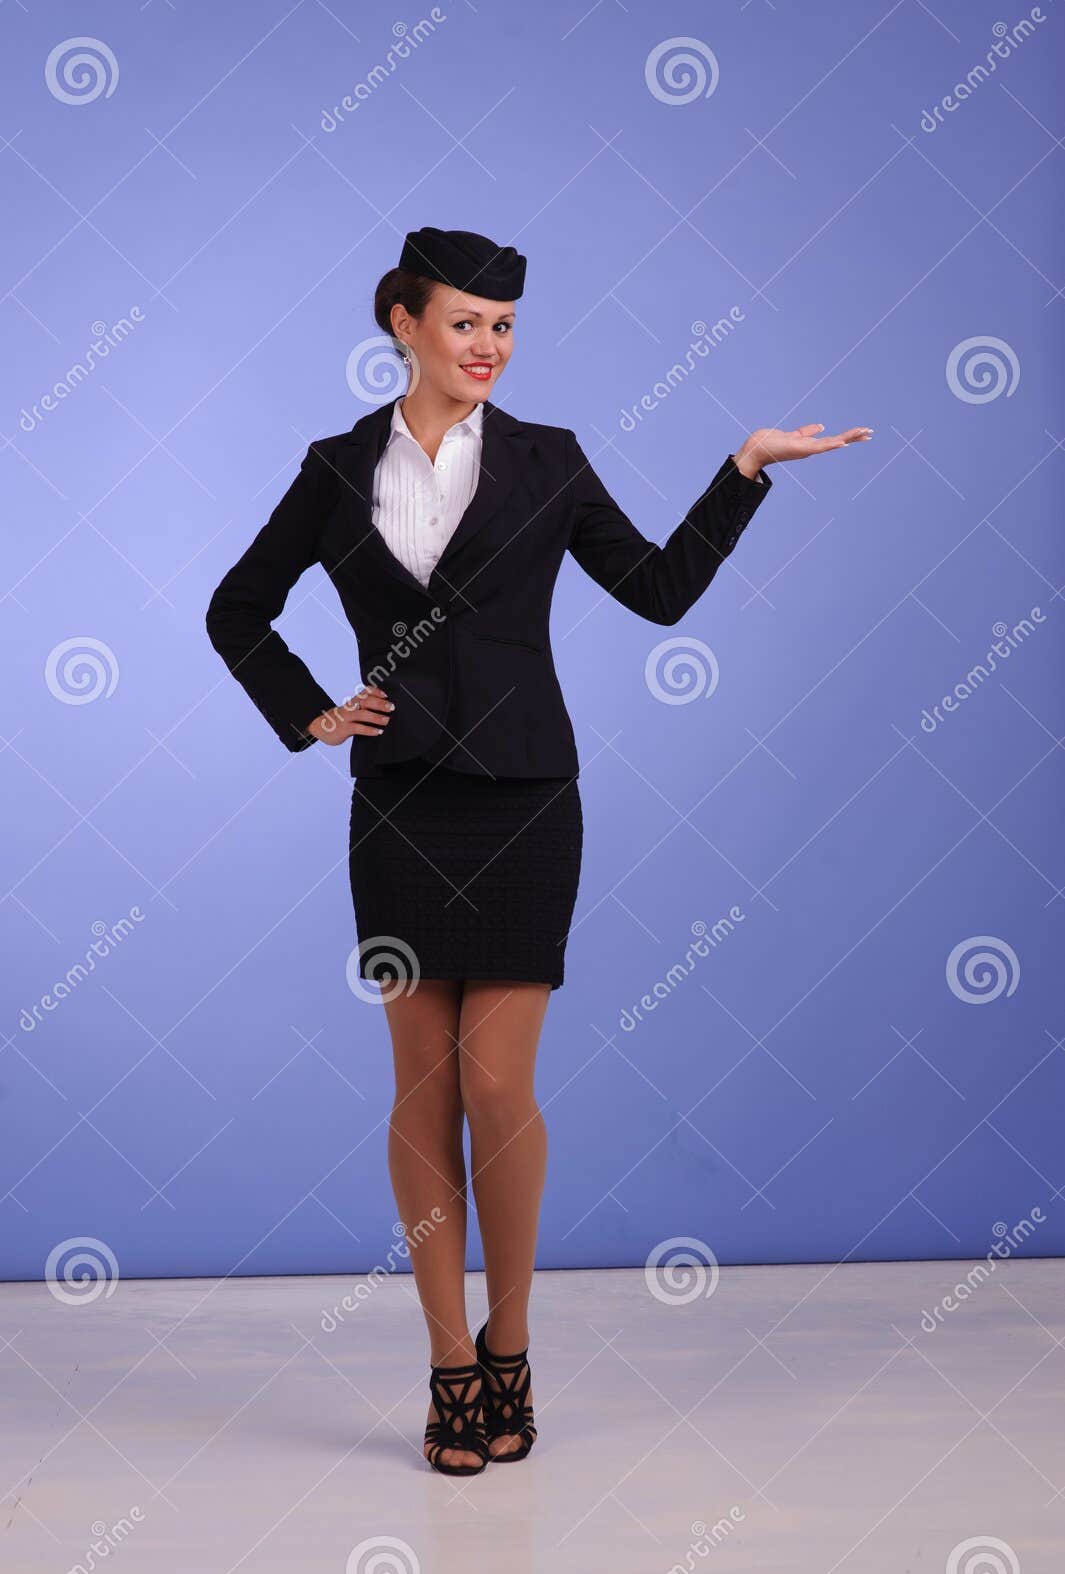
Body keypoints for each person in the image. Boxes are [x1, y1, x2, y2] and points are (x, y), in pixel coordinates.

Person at [205, 225, 872, 1475]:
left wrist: (743, 468)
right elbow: (235, 607)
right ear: (403, 323)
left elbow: (660, 590)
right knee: (421, 1084)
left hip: (524, 800)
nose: (491, 346)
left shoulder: (549, 461)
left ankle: (511, 1342)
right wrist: (310, 710)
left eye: (505, 326)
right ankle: (451, 1365)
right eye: (466, 323)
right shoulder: (335, 468)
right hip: (399, 805)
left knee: (498, 1083)